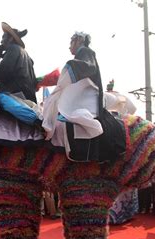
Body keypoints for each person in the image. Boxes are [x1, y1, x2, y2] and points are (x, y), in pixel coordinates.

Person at [42, 32, 125, 162]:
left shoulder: (86, 52)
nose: (69, 47)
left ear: (79, 40)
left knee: (76, 115)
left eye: (71, 42)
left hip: (88, 98)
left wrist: (71, 68)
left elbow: (88, 67)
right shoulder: (82, 54)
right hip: (82, 96)